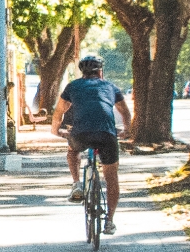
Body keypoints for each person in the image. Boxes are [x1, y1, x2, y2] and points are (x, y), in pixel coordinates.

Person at [52, 55, 133, 234]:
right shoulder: (111, 87)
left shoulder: (72, 86)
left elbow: (59, 111)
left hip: (80, 134)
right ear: (100, 71)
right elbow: (125, 113)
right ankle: (109, 221)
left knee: (73, 151)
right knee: (111, 178)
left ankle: (77, 184)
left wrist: (56, 130)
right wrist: (126, 130)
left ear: (82, 72)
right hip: (107, 135)